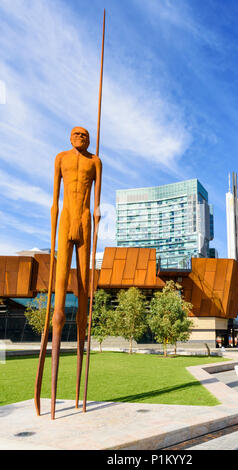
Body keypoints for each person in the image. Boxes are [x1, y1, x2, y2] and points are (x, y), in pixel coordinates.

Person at [50, 127, 102, 419]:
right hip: (66, 218)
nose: (80, 136)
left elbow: (96, 201)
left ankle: (80, 394)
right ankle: (55, 397)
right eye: (76, 134)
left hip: (84, 220)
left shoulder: (96, 162)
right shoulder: (60, 158)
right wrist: (53, 221)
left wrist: (96, 215)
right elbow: (55, 199)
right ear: (70, 138)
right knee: (59, 296)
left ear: (89, 140)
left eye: (84, 134)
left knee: (84, 289)